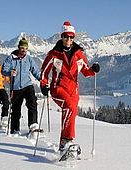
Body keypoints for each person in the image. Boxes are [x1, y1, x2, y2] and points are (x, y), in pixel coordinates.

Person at [40, 21, 100, 153]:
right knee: (69, 107)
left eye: (71, 37)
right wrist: (44, 85)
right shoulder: (54, 54)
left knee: (70, 113)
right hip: (58, 89)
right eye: (66, 36)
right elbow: (44, 71)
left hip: (73, 91)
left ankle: (63, 144)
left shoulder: (78, 54)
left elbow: (86, 71)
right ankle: (67, 140)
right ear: (61, 37)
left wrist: (93, 70)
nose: (68, 39)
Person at [1, 38, 41, 135]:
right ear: (19, 48)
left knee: (32, 102)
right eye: (22, 48)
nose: (24, 50)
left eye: (26, 48)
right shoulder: (11, 58)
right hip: (15, 87)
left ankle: (33, 125)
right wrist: (9, 72)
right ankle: (15, 130)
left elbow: (35, 71)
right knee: (16, 110)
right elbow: (3, 70)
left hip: (27, 85)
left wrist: (42, 80)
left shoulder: (29, 59)